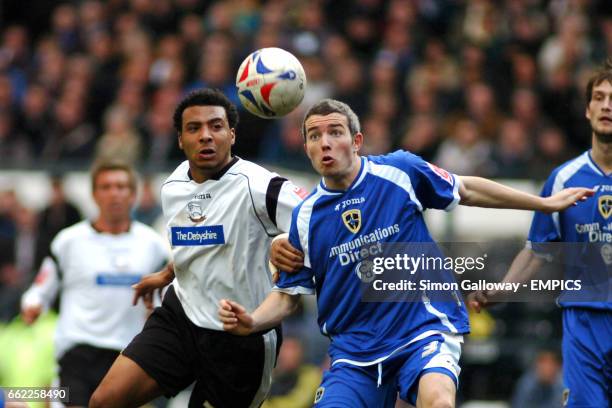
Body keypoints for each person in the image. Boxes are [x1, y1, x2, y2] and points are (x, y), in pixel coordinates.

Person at [218, 99, 593, 408]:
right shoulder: (306, 216)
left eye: (335, 132)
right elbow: (287, 297)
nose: (325, 143)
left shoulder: (399, 171)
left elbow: (467, 190)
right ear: (307, 149)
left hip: (421, 331)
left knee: (439, 403)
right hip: (354, 352)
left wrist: (541, 203)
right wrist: (251, 321)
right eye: (315, 136)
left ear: (357, 140)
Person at [90, 89, 306, 408]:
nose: (206, 136)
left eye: (216, 126)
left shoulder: (261, 186)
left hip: (241, 334)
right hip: (181, 316)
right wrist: (166, 274)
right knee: (104, 401)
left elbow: (316, 217)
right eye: (194, 128)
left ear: (231, 135)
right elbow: (197, 242)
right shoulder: (174, 186)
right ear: (180, 139)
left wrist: (286, 242)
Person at [469, 61, 612, 408]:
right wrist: (503, 289)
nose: (607, 105)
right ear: (587, 108)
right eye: (599, 97)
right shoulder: (564, 179)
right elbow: (538, 251)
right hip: (584, 324)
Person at [20, 161, 170, 407]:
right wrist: (32, 304)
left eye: (121, 187)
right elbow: (40, 288)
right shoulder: (68, 241)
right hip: (75, 353)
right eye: (106, 187)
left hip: (127, 356)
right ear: (94, 194)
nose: (114, 193)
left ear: (133, 194)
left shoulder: (152, 244)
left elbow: (167, 295)